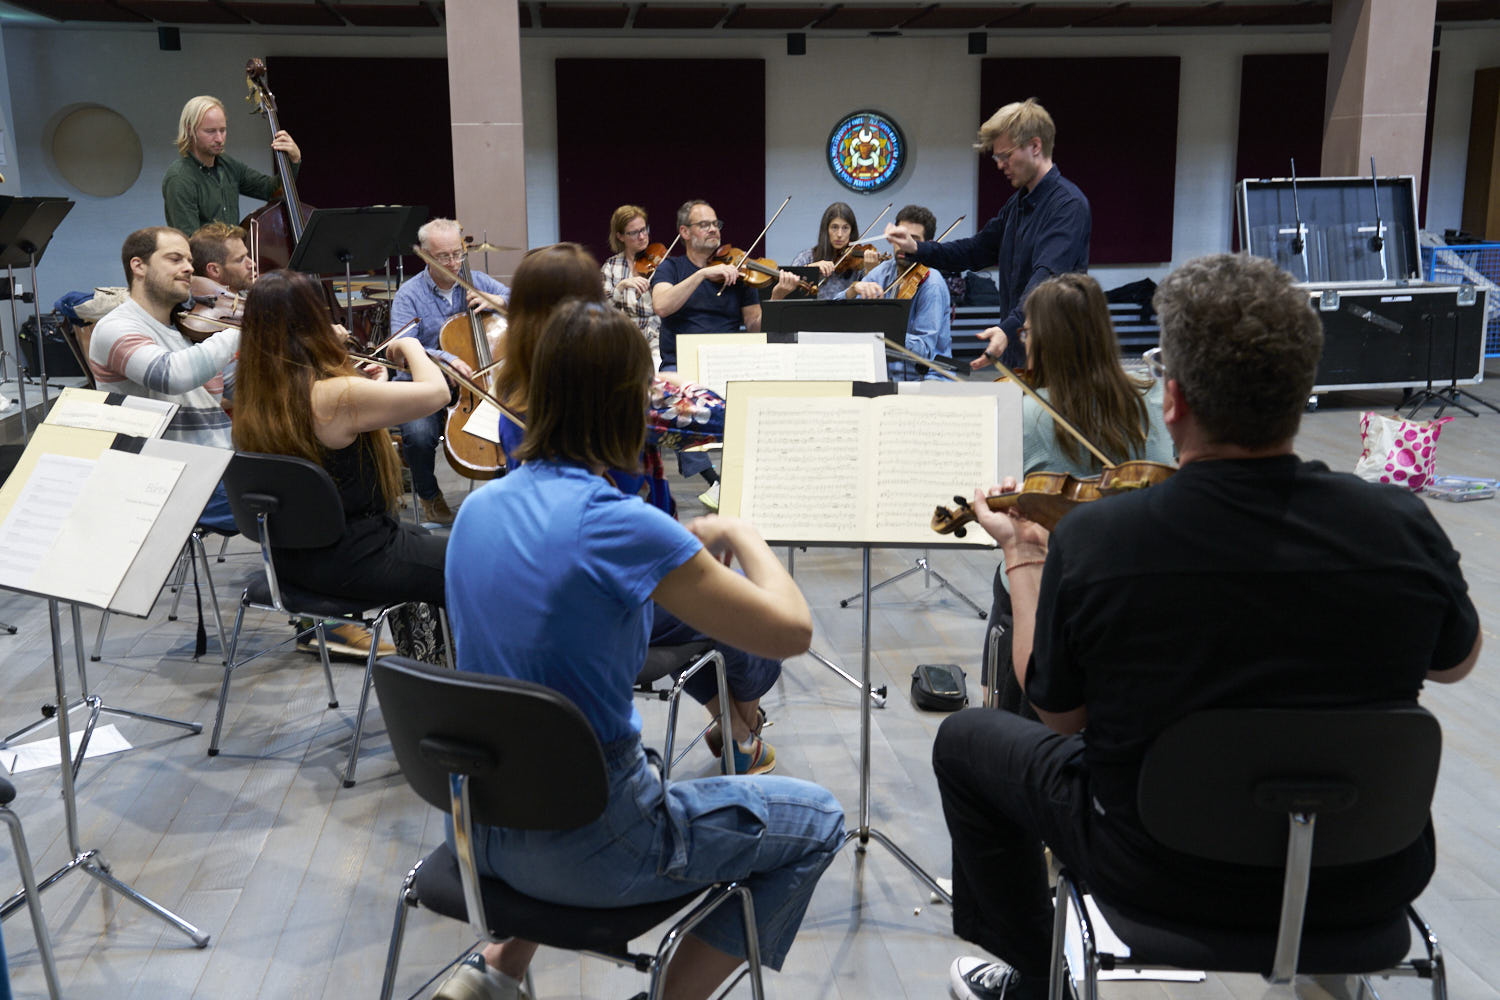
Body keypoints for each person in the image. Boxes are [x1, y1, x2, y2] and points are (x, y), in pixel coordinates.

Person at [933, 253, 1482, 1000]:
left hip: (1156, 868)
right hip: (1365, 873)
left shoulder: (1103, 541)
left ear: (1174, 401)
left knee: (967, 740)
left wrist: (1026, 555)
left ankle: (1034, 978)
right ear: (1303, 389)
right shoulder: (1401, 525)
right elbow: (1455, 664)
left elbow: (1057, 716)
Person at [438, 297, 845, 1000]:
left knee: (597, 753)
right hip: (594, 845)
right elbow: (791, 631)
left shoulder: (480, 507)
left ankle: (497, 969)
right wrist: (744, 535)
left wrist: (680, 546)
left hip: (484, 833)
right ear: (634, 405)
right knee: (818, 821)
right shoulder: (620, 524)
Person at [495, 243, 780, 775]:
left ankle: (737, 730)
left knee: (702, 600)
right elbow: (720, 418)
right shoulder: (604, 389)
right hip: (616, 578)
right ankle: (744, 725)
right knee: (743, 606)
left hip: (552, 576)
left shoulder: (512, 387)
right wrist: (666, 387)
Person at [984, 272, 1173, 711]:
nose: (1024, 341)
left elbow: (1004, 501)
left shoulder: (1027, 411)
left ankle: (1006, 702)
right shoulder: (1151, 396)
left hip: (1049, 594)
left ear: (1046, 338)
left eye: (1028, 331)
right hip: (1134, 587)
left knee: (1008, 580)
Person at [231, 269, 449, 613]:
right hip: (353, 559)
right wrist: (411, 344)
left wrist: (359, 380)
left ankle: (428, 654)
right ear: (312, 322)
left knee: (423, 539)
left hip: (292, 557)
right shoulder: (336, 396)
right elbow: (437, 393)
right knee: (475, 565)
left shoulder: (256, 394)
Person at [885, 98, 1089, 371]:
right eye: (997, 157)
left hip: (1057, 359)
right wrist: (917, 248)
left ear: (1036, 146)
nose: (999, 164)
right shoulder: (1016, 205)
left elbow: (1046, 279)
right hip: (1017, 351)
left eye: (1005, 155)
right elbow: (974, 250)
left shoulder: (1067, 205)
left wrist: (1009, 327)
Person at [650, 200, 799, 509]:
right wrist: (702, 275)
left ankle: (764, 476)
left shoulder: (739, 271)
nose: (713, 229)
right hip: (682, 362)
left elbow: (756, 328)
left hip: (729, 360)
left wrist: (776, 298)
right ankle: (715, 481)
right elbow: (662, 306)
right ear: (685, 232)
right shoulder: (672, 267)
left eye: (716, 223)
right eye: (704, 224)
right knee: (680, 401)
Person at [88, 226, 238, 531]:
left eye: (189, 260)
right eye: (175, 259)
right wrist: (241, 332)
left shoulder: (191, 329)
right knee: (301, 502)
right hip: (168, 479)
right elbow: (171, 375)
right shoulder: (115, 328)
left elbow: (240, 389)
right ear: (138, 265)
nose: (188, 268)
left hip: (219, 468)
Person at [388, 217, 510, 526]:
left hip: (477, 382)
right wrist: (444, 358)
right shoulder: (409, 294)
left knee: (517, 418)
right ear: (426, 255)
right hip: (425, 384)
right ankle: (429, 496)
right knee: (417, 434)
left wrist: (496, 300)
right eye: (444, 256)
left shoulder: (477, 281)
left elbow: (524, 302)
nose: (454, 263)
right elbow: (401, 345)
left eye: (458, 254)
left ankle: (510, 493)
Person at [162, 95, 303, 234]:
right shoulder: (180, 178)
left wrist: (293, 161)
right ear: (189, 130)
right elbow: (189, 241)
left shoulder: (228, 165)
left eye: (222, 130)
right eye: (210, 131)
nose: (219, 139)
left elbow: (272, 191)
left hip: (233, 255)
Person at [847, 204, 951, 381]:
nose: (903, 245)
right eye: (900, 238)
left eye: (913, 239)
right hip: (886, 375)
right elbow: (840, 312)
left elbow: (924, 350)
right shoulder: (884, 271)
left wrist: (883, 328)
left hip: (926, 377)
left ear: (927, 245)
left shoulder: (932, 283)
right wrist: (852, 289)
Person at [600, 204, 661, 365]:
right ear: (620, 236)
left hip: (656, 337)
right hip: (623, 339)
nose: (642, 236)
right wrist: (621, 287)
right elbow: (602, 310)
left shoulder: (661, 263)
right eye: (634, 233)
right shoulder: (611, 266)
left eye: (644, 229)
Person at [790, 201, 882, 300]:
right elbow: (789, 289)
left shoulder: (858, 264)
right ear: (826, 230)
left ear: (851, 231)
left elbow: (872, 300)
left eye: (845, 228)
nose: (839, 234)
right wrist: (810, 269)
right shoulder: (807, 257)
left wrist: (871, 271)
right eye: (834, 227)